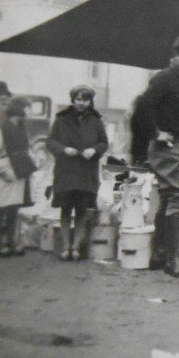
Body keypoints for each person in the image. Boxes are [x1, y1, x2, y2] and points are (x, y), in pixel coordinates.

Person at [142, 32, 179, 278]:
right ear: (175, 55)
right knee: (178, 196)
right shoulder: (164, 78)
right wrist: (157, 133)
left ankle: (157, 254)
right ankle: (172, 260)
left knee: (168, 197)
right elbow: (144, 109)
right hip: (168, 146)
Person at [46, 85, 109, 261]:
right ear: (72, 100)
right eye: (78, 99)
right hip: (66, 170)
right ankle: (65, 247)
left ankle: (76, 248)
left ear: (90, 102)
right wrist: (63, 149)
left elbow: (104, 143)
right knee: (65, 210)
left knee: (81, 211)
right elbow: (50, 141)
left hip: (85, 172)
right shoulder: (61, 119)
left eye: (85, 100)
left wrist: (94, 150)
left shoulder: (96, 121)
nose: (81, 103)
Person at [0, 96, 37, 257]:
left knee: (14, 209)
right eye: (27, 108)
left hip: (19, 170)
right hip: (6, 171)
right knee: (1, 209)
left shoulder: (23, 129)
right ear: (19, 109)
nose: (29, 112)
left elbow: (26, 149)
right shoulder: (0, 130)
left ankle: (11, 241)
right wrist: (3, 170)